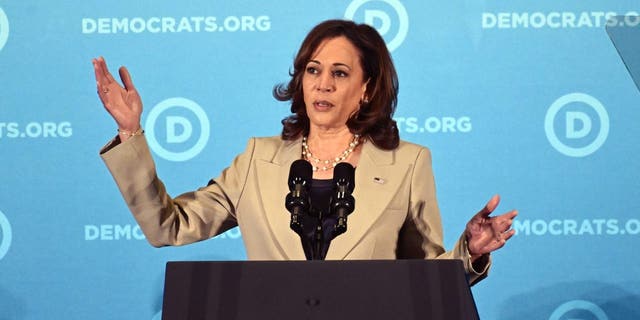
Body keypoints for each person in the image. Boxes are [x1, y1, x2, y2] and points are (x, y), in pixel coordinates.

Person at [93, 19, 517, 285]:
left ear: (366, 89)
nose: (323, 84)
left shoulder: (408, 164)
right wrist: (130, 133)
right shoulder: (258, 160)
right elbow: (169, 226)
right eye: (313, 70)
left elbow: (425, 280)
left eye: (340, 72)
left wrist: (470, 251)